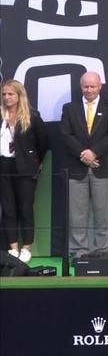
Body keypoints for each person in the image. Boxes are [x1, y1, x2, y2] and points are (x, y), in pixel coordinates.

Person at [59, 71, 108, 257]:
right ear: (81, 87)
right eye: (85, 86)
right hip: (76, 168)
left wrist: (93, 152)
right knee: (77, 215)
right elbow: (65, 134)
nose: (89, 90)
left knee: (103, 215)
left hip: (103, 168)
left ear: (100, 86)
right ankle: (79, 253)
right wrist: (83, 153)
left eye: (92, 86)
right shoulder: (69, 108)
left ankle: (102, 253)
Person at [0, 80, 49, 264]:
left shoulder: (32, 116)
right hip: (4, 166)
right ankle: (12, 248)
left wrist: (36, 162)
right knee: (8, 209)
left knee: (25, 208)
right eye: (4, 94)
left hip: (25, 168)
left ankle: (26, 247)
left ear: (20, 95)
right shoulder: (1, 114)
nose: (7, 97)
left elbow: (43, 142)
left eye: (11, 94)